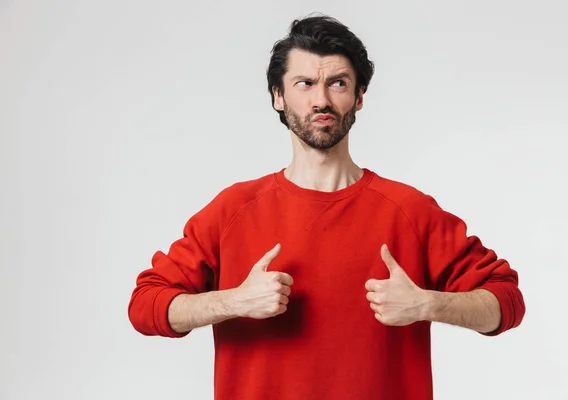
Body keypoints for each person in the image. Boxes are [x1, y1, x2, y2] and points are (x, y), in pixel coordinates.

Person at [128, 14, 525, 400]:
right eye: (304, 83)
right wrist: (232, 301)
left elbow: (506, 301)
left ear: (358, 97)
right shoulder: (233, 209)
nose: (321, 99)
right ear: (278, 97)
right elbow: (145, 306)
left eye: (337, 83)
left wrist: (428, 303)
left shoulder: (410, 211)